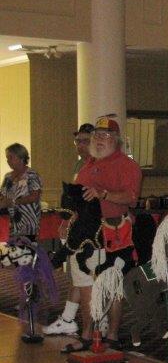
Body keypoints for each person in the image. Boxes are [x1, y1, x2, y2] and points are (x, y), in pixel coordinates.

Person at [60, 116, 142, 352]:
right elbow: (79, 198)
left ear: (116, 140)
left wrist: (104, 194)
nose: (99, 139)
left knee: (112, 287)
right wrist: (67, 220)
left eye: (105, 135)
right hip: (84, 234)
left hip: (112, 234)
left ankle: (112, 335)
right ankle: (87, 334)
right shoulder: (87, 165)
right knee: (85, 284)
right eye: (97, 135)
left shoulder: (127, 166)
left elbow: (131, 198)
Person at [44, 123, 97, 337]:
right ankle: (69, 319)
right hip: (79, 228)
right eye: (77, 141)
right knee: (78, 276)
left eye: (85, 141)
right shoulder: (80, 166)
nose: (80, 145)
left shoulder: (97, 166)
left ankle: (87, 326)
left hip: (90, 233)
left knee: (84, 278)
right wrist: (66, 220)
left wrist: (69, 221)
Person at [0, 143, 42, 243]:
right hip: (11, 223)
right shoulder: (8, 177)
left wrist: (14, 202)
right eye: (7, 158)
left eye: (11, 157)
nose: (8, 161)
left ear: (21, 157)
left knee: (26, 250)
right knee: (12, 251)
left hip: (28, 223)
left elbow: (35, 196)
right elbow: (2, 194)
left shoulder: (31, 175)